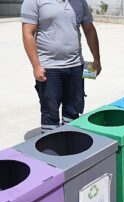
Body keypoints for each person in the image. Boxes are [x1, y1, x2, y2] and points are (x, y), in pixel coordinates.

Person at [21, 0, 101, 133]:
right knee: (50, 112)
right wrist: (36, 66)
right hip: (49, 68)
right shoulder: (33, 1)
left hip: (76, 65)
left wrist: (96, 59)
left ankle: (71, 141)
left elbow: (89, 29)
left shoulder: (80, 1)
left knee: (74, 109)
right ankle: (50, 147)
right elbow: (28, 33)